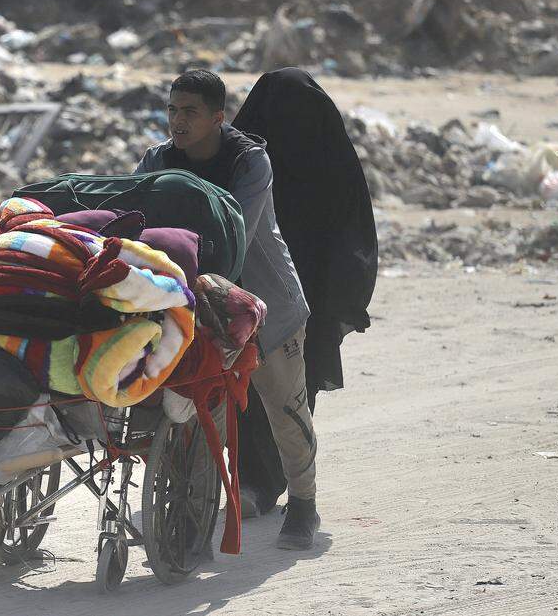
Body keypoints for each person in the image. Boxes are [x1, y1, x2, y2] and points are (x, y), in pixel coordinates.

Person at [134, 69, 320, 550]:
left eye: (190, 112)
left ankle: (303, 504)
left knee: (285, 410)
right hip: (198, 306)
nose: (178, 120)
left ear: (218, 117)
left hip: (266, 306)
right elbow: (132, 217)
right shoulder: (158, 160)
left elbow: (230, 236)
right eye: (172, 109)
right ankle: (197, 505)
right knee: (201, 412)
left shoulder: (249, 163)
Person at [229, 68, 378, 518]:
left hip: (306, 299)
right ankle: (252, 480)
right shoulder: (248, 164)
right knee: (247, 388)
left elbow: (354, 237)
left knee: (291, 391)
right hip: (252, 285)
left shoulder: (330, 166)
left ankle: (275, 483)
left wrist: (342, 300)